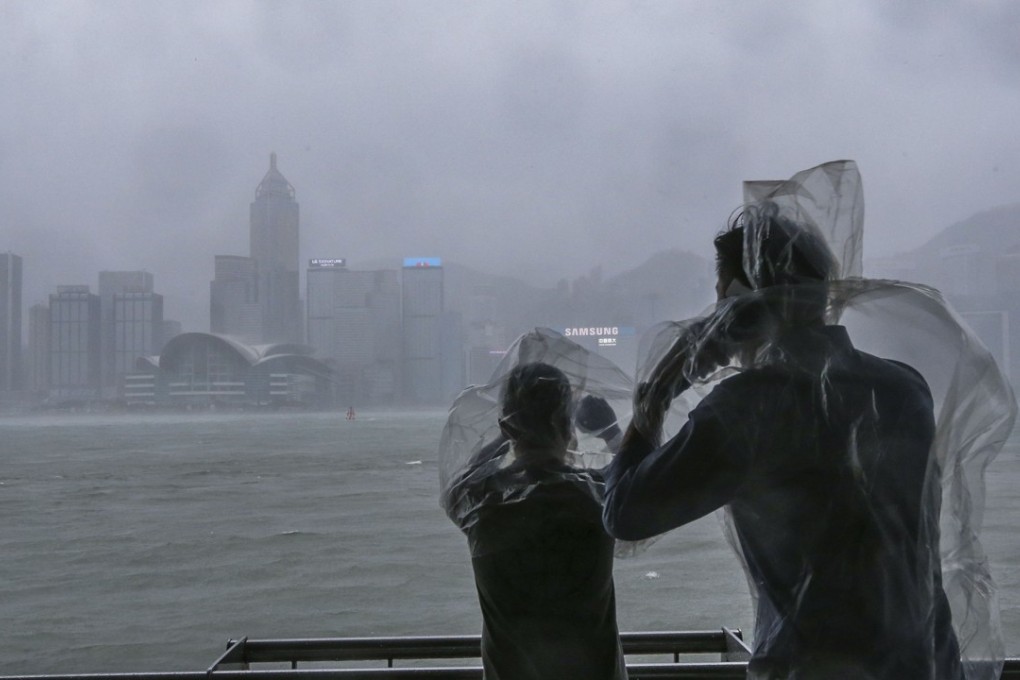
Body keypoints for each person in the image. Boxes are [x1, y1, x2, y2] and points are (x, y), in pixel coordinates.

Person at [603, 203, 966, 679]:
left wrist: (660, 389)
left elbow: (626, 514)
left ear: (739, 305)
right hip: (926, 664)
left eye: (722, 300)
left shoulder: (749, 408)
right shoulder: (903, 388)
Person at [442, 361, 628, 680]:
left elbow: (459, 485)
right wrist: (611, 432)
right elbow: (638, 480)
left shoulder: (484, 502)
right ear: (569, 427)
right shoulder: (594, 497)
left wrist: (508, 431)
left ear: (508, 425)